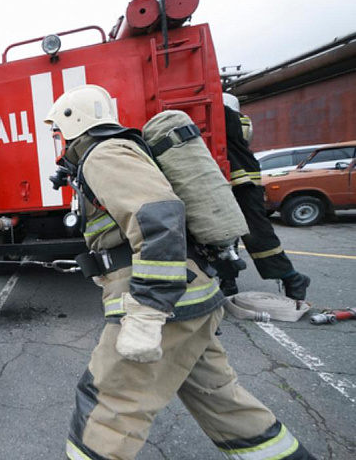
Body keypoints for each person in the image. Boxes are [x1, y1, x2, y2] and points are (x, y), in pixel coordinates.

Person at [45, 85, 314, 460]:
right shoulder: (114, 152)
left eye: (56, 131)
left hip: (163, 302)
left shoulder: (103, 154)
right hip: (189, 297)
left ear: (72, 122)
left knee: (107, 404)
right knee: (222, 402)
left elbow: (159, 219)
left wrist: (148, 310)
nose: (56, 139)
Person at [219, 93, 310, 300]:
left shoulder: (238, 121)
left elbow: (225, 124)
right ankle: (228, 281)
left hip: (244, 184)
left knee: (257, 233)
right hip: (223, 183)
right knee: (222, 235)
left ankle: (292, 277)